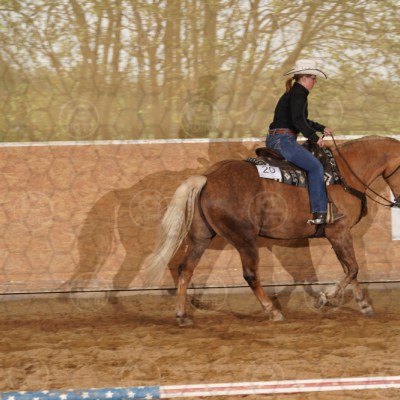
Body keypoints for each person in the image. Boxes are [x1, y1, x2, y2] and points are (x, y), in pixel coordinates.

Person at [267, 59, 341, 225]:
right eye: (313, 78)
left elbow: (302, 120)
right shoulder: (299, 94)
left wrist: (321, 127)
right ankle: (320, 212)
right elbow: (298, 121)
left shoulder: (295, 92)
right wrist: (315, 138)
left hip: (278, 138)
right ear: (304, 78)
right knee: (316, 167)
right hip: (283, 140)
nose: (315, 82)